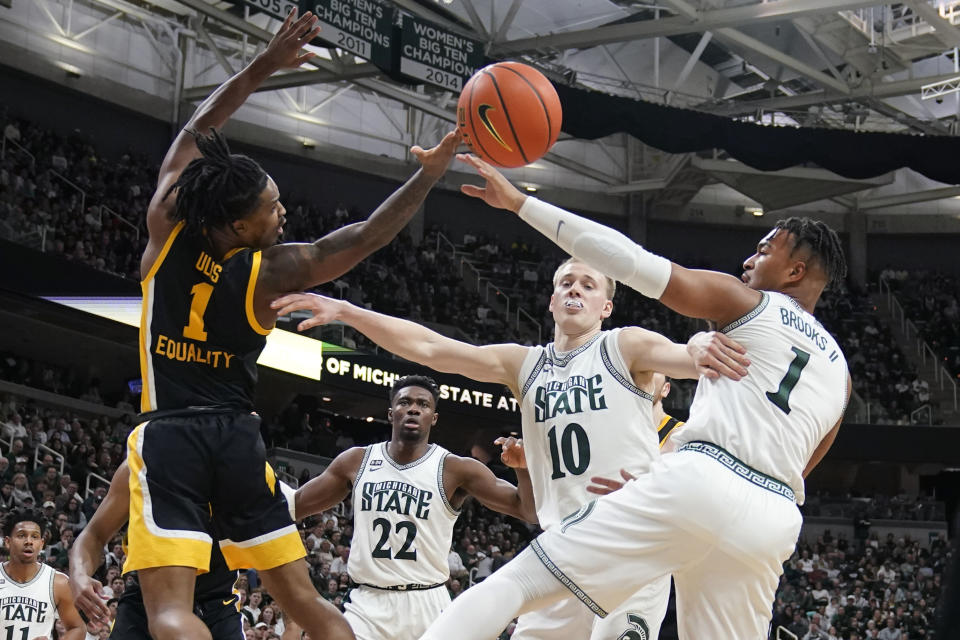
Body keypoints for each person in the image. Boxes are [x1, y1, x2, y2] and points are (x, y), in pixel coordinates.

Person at [405, 154, 850, 640]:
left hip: (704, 480)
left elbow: (633, 262)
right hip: (774, 516)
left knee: (520, 583)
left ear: (795, 271)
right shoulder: (841, 374)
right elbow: (800, 466)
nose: (748, 260)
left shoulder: (749, 302)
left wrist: (519, 204)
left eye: (764, 251)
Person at [129, 7, 459, 640]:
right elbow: (364, 237)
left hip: (167, 435)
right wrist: (430, 173)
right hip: (236, 441)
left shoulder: (166, 226)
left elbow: (197, 129)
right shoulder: (268, 273)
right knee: (308, 607)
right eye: (270, 209)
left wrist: (263, 66)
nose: (283, 214)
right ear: (237, 228)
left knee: (170, 614)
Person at [271, 269, 749, 640]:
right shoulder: (524, 364)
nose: (574, 290)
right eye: (565, 283)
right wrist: (350, 312)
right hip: (562, 548)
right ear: (551, 300)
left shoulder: (624, 345)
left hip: (631, 541)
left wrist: (701, 341)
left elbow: (690, 362)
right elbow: (432, 348)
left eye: (588, 284)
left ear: (606, 306)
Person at [285, 375, 537, 640]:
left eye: (423, 404)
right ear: (391, 413)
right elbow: (295, 506)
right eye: (405, 402)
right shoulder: (356, 461)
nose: (414, 408)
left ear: (434, 417)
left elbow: (527, 511)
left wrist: (523, 471)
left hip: (427, 601)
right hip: (368, 604)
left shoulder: (454, 468)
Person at [69, 462, 245, 640]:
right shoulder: (139, 460)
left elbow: (272, 557)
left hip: (217, 605)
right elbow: (95, 533)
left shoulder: (246, 471)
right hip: (145, 601)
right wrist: (78, 574)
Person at [0, 509, 85, 640]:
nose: (29, 541)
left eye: (34, 536)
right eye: (21, 535)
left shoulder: (58, 583)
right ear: (7, 542)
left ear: (41, 544)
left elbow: (77, 629)